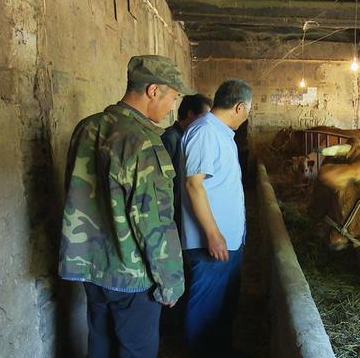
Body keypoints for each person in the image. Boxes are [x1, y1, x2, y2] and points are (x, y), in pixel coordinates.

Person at [59, 55, 195, 358]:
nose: (173, 106)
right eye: (173, 97)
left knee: (101, 345)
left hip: (90, 268)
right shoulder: (143, 142)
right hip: (132, 276)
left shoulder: (87, 128)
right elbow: (154, 222)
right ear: (154, 91)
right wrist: (170, 282)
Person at [179, 79, 252, 356]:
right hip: (210, 243)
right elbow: (193, 185)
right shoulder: (205, 132)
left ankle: (221, 350)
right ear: (239, 106)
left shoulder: (220, 133)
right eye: (248, 111)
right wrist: (213, 234)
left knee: (223, 305)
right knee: (205, 307)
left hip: (227, 241)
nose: (247, 117)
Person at [161, 94, 212, 235]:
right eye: (204, 116)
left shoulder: (188, 138)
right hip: (173, 210)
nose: (207, 123)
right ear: (190, 114)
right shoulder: (170, 138)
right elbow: (164, 181)